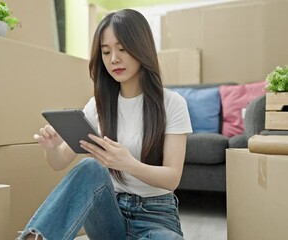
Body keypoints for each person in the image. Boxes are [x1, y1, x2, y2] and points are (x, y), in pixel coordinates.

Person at [17, 8, 192, 240]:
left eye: (122, 49)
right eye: (106, 51)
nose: (114, 59)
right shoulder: (97, 106)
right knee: (90, 167)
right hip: (109, 217)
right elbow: (60, 162)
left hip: (156, 217)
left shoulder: (172, 103)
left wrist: (128, 163)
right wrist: (51, 149)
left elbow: (172, 177)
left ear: (141, 48)